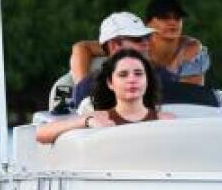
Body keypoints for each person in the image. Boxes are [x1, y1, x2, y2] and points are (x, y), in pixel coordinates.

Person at [38, 48, 175, 144]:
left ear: (147, 80)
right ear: (110, 83)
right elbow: (41, 134)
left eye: (138, 74)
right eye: (123, 75)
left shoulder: (165, 120)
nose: (132, 79)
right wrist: (86, 121)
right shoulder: (99, 117)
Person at [69, 0, 209, 85]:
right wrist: (82, 87)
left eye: (177, 18)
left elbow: (191, 97)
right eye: (164, 17)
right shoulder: (122, 46)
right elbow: (81, 47)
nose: (173, 22)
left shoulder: (192, 50)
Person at [66, 11, 184, 109]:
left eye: (147, 37)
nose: (147, 43)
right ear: (114, 45)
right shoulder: (90, 88)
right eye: (138, 39)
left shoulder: (162, 74)